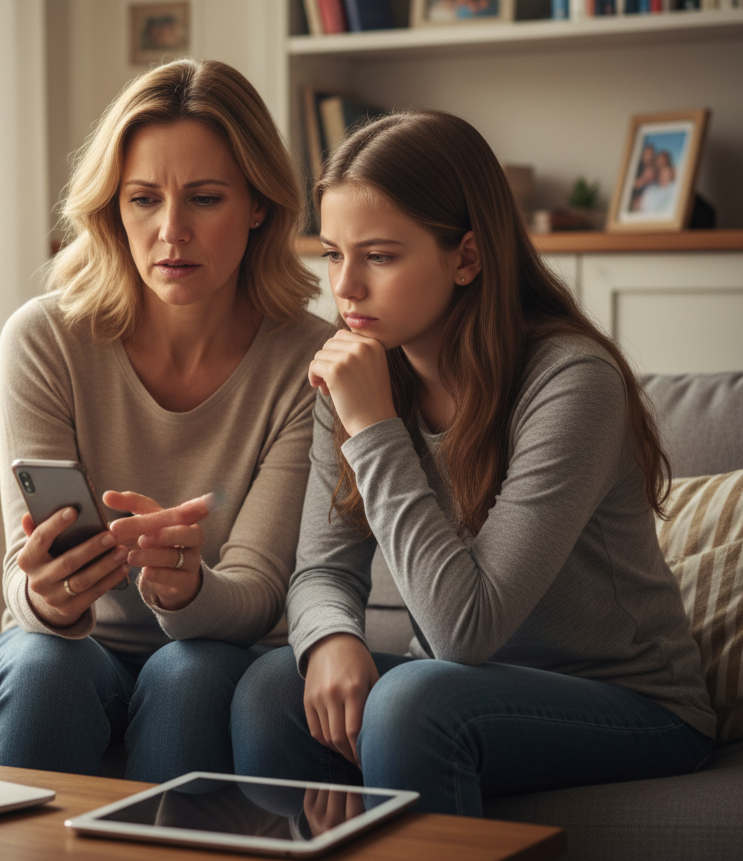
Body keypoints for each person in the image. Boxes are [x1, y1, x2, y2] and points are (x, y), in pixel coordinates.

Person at [231, 109, 714, 816]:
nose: (346, 288)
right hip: (461, 689)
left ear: (467, 256)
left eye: (381, 256)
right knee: (269, 690)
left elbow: (466, 630)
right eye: (334, 253)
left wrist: (372, 427)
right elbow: (322, 569)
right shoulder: (358, 370)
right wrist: (331, 637)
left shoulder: (570, 381)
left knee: (413, 702)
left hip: (634, 706)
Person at [0, 59, 330, 781]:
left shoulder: (310, 360)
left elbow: (260, 591)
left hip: (213, 646)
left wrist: (188, 587)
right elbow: (23, 573)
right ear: (113, 207)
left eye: (204, 199)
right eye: (143, 199)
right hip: (64, 645)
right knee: (46, 670)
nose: (171, 231)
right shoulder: (44, 339)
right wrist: (47, 590)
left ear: (258, 205)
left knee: (190, 680)